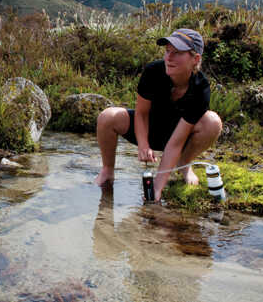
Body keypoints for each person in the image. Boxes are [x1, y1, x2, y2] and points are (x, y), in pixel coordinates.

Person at [94, 29, 222, 201]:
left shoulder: (201, 89)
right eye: (167, 51)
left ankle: (184, 165)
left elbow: (176, 142)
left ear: (195, 59)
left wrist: (157, 188)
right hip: (149, 127)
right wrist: (143, 144)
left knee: (212, 122)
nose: (169, 57)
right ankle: (107, 171)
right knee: (107, 117)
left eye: (177, 53)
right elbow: (141, 114)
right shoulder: (153, 71)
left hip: (178, 135)